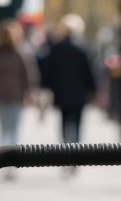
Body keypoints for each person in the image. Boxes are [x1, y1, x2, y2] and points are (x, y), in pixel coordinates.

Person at [39, 13, 97, 148]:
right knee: (77, 122)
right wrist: (93, 89)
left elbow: (47, 71)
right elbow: (89, 72)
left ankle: (65, 148)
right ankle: (75, 148)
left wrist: (46, 86)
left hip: (62, 92)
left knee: (64, 120)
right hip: (79, 93)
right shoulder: (82, 49)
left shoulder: (56, 49)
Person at [0, 21, 32, 147]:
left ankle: (5, 150)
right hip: (15, 94)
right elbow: (26, 75)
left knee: (4, 126)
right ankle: (12, 151)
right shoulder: (18, 54)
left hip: (1, 95)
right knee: (14, 127)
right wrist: (28, 92)